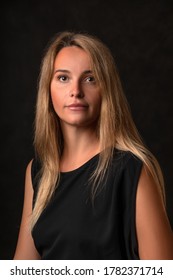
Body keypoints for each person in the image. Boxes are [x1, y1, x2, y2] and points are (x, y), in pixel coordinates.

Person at [14, 31, 173, 260]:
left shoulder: (132, 170)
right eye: (63, 78)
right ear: (47, 91)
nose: (76, 91)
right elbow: (23, 270)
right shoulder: (38, 171)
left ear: (106, 89)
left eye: (90, 79)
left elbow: (163, 272)